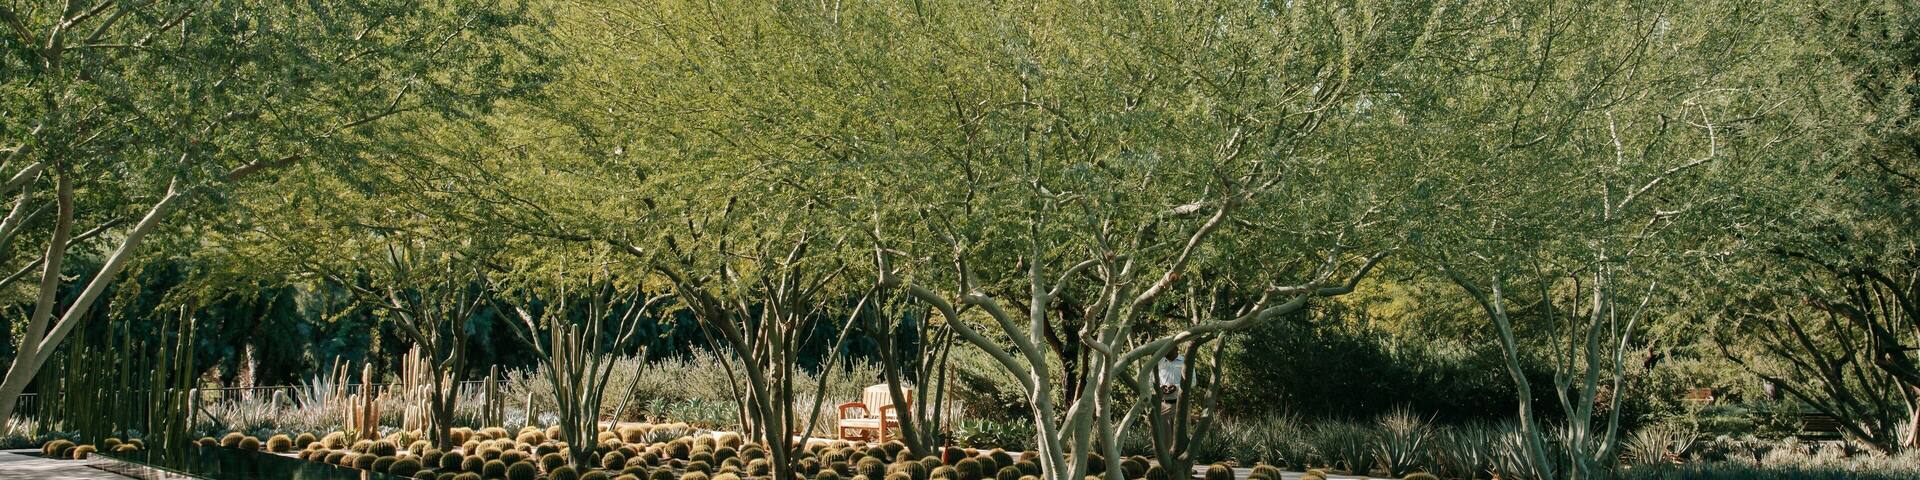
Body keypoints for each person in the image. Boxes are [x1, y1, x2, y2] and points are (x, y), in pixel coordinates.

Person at [1155, 349, 1185, 414]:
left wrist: (1176, 387)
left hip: (1181, 404)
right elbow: (1151, 381)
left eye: (1169, 349)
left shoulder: (1185, 361)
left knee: (1182, 424)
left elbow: (1192, 382)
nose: (1166, 353)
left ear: (1176, 349)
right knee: (1161, 424)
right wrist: (1160, 388)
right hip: (1162, 404)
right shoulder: (1158, 362)